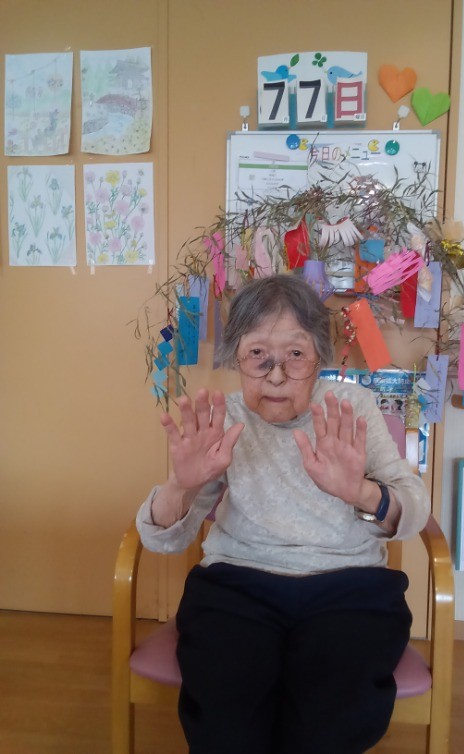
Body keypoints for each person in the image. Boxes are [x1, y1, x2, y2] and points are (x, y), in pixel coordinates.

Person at [136, 273, 430, 754]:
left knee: (329, 721)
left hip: (350, 585)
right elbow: (162, 539)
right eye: (258, 354)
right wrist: (180, 484)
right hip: (238, 585)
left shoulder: (351, 408)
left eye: (295, 354)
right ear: (236, 357)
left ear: (320, 357)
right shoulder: (225, 417)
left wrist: (360, 492)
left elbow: (414, 511)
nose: (275, 376)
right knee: (226, 720)